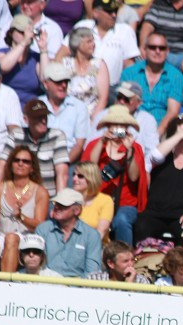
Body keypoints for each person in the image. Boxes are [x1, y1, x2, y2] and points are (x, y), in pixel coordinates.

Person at [134, 116, 183, 245]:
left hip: (181, 216)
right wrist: (179, 135)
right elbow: (155, 156)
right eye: (182, 134)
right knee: (141, 227)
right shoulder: (163, 156)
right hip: (154, 213)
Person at [82, 105, 148, 246]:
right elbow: (88, 170)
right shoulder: (95, 145)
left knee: (122, 220)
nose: (118, 128)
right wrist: (102, 142)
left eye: (122, 125)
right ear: (107, 126)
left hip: (125, 203)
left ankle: (124, 257)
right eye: (114, 125)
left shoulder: (135, 148)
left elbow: (134, 176)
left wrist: (129, 151)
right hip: (97, 199)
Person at [0, 146, 50, 271]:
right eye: (16, 160)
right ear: (11, 164)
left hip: (27, 237)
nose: (20, 163)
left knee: (11, 238)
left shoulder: (40, 192)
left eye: (25, 161)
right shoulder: (0, 188)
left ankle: (7, 285)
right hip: (2, 234)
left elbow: (39, 226)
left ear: (32, 167)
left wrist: (21, 217)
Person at [0, 98, 70, 198]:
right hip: (17, 197)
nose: (43, 121)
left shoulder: (57, 136)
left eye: (45, 116)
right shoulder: (16, 135)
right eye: (38, 117)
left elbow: (62, 174)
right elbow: (1, 166)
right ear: (26, 119)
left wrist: (60, 203)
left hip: (47, 198)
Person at [61, 0, 140, 88]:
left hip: (112, 88)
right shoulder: (83, 26)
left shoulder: (125, 31)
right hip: (77, 87)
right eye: (109, 11)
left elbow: (130, 67)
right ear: (95, 13)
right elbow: (62, 54)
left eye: (116, 11)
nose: (114, 15)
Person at [121, 32, 183, 136]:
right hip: (131, 127)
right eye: (152, 47)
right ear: (144, 50)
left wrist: (156, 135)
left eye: (162, 48)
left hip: (162, 130)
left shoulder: (176, 76)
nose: (157, 51)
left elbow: (172, 112)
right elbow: (123, 106)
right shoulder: (129, 73)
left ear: (167, 51)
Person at [35, 187, 102, 276]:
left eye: (63, 205)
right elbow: (37, 264)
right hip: (47, 283)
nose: (57, 207)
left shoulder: (92, 235)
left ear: (77, 210)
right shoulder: (43, 229)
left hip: (77, 286)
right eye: (56, 203)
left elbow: (92, 272)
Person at [92, 81, 159, 170]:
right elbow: (89, 146)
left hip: (134, 167)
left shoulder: (148, 120)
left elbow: (151, 152)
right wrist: (103, 139)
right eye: (119, 97)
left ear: (138, 103)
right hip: (102, 166)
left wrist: (144, 171)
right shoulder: (102, 116)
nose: (121, 101)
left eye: (126, 99)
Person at [39, 62, 90, 164]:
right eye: (58, 81)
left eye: (66, 81)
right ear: (46, 84)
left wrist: (63, 165)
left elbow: (79, 145)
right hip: (39, 162)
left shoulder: (79, 107)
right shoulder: (37, 105)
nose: (63, 85)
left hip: (69, 162)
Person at [61, 27, 110, 120]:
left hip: (91, 117)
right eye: (89, 42)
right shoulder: (66, 63)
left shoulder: (99, 65)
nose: (93, 44)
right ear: (77, 44)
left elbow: (103, 98)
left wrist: (92, 121)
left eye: (93, 41)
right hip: (67, 115)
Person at [0, 14, 44, 108]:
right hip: (5, 106)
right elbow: (3, 67)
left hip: (30, 109)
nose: (26, 35)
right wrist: (23, 43)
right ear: (11, 33)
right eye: (22, 32)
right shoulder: (2, 53)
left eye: (29, 32)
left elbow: (45, 79)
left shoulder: (35, 57)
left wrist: (44, 50)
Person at [0, 0, 64, 57]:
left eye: (29, 2)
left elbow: (52, 61)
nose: (25, 6)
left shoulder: (53, 29)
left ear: (42, 5)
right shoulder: (9, 24)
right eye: (23, 1)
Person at [72, 160, 113, 240]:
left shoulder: (105, 200)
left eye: (80, 176)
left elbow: (101, 232)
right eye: (74, 175)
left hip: (96, 247)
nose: (74, 178)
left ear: (91, 178)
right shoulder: (69, 199)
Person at [87, 239, 152, 282]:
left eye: (132, 260)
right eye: (125, 261)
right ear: (111, 264)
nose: (131, 264)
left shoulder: (141, 281)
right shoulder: (94, 280)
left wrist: (131, 287)